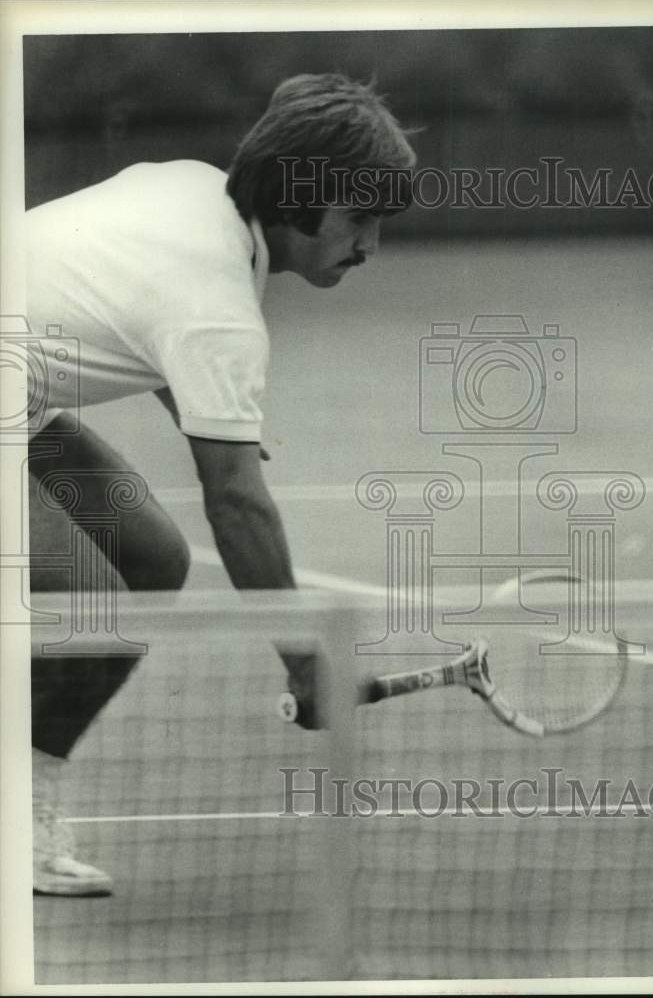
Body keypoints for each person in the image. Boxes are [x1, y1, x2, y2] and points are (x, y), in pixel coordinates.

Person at [25, 73, 416, 896]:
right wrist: (307, 662)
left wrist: (209, 411)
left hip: (22, 400)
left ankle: (24, 802)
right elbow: (234, 502)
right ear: (298, 199)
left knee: (151, 566)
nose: (370, 248)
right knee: (93, 603)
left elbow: (127, 303)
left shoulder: (193, 185)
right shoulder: (219, 313)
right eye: (360, 220)